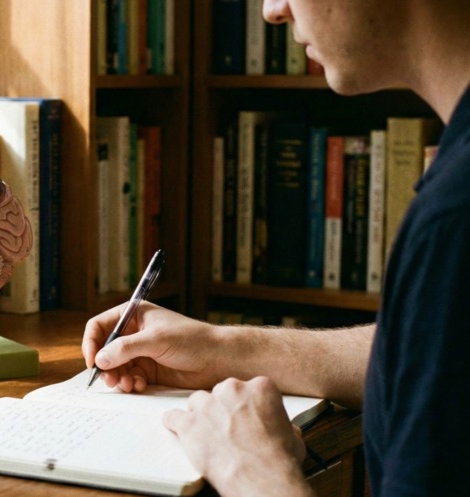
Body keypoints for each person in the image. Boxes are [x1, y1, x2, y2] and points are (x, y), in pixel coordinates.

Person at [81, 0, 470, 495]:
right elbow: (436, 351)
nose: (272, 10)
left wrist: (255, 472)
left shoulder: (454, 219)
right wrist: (222, 349)